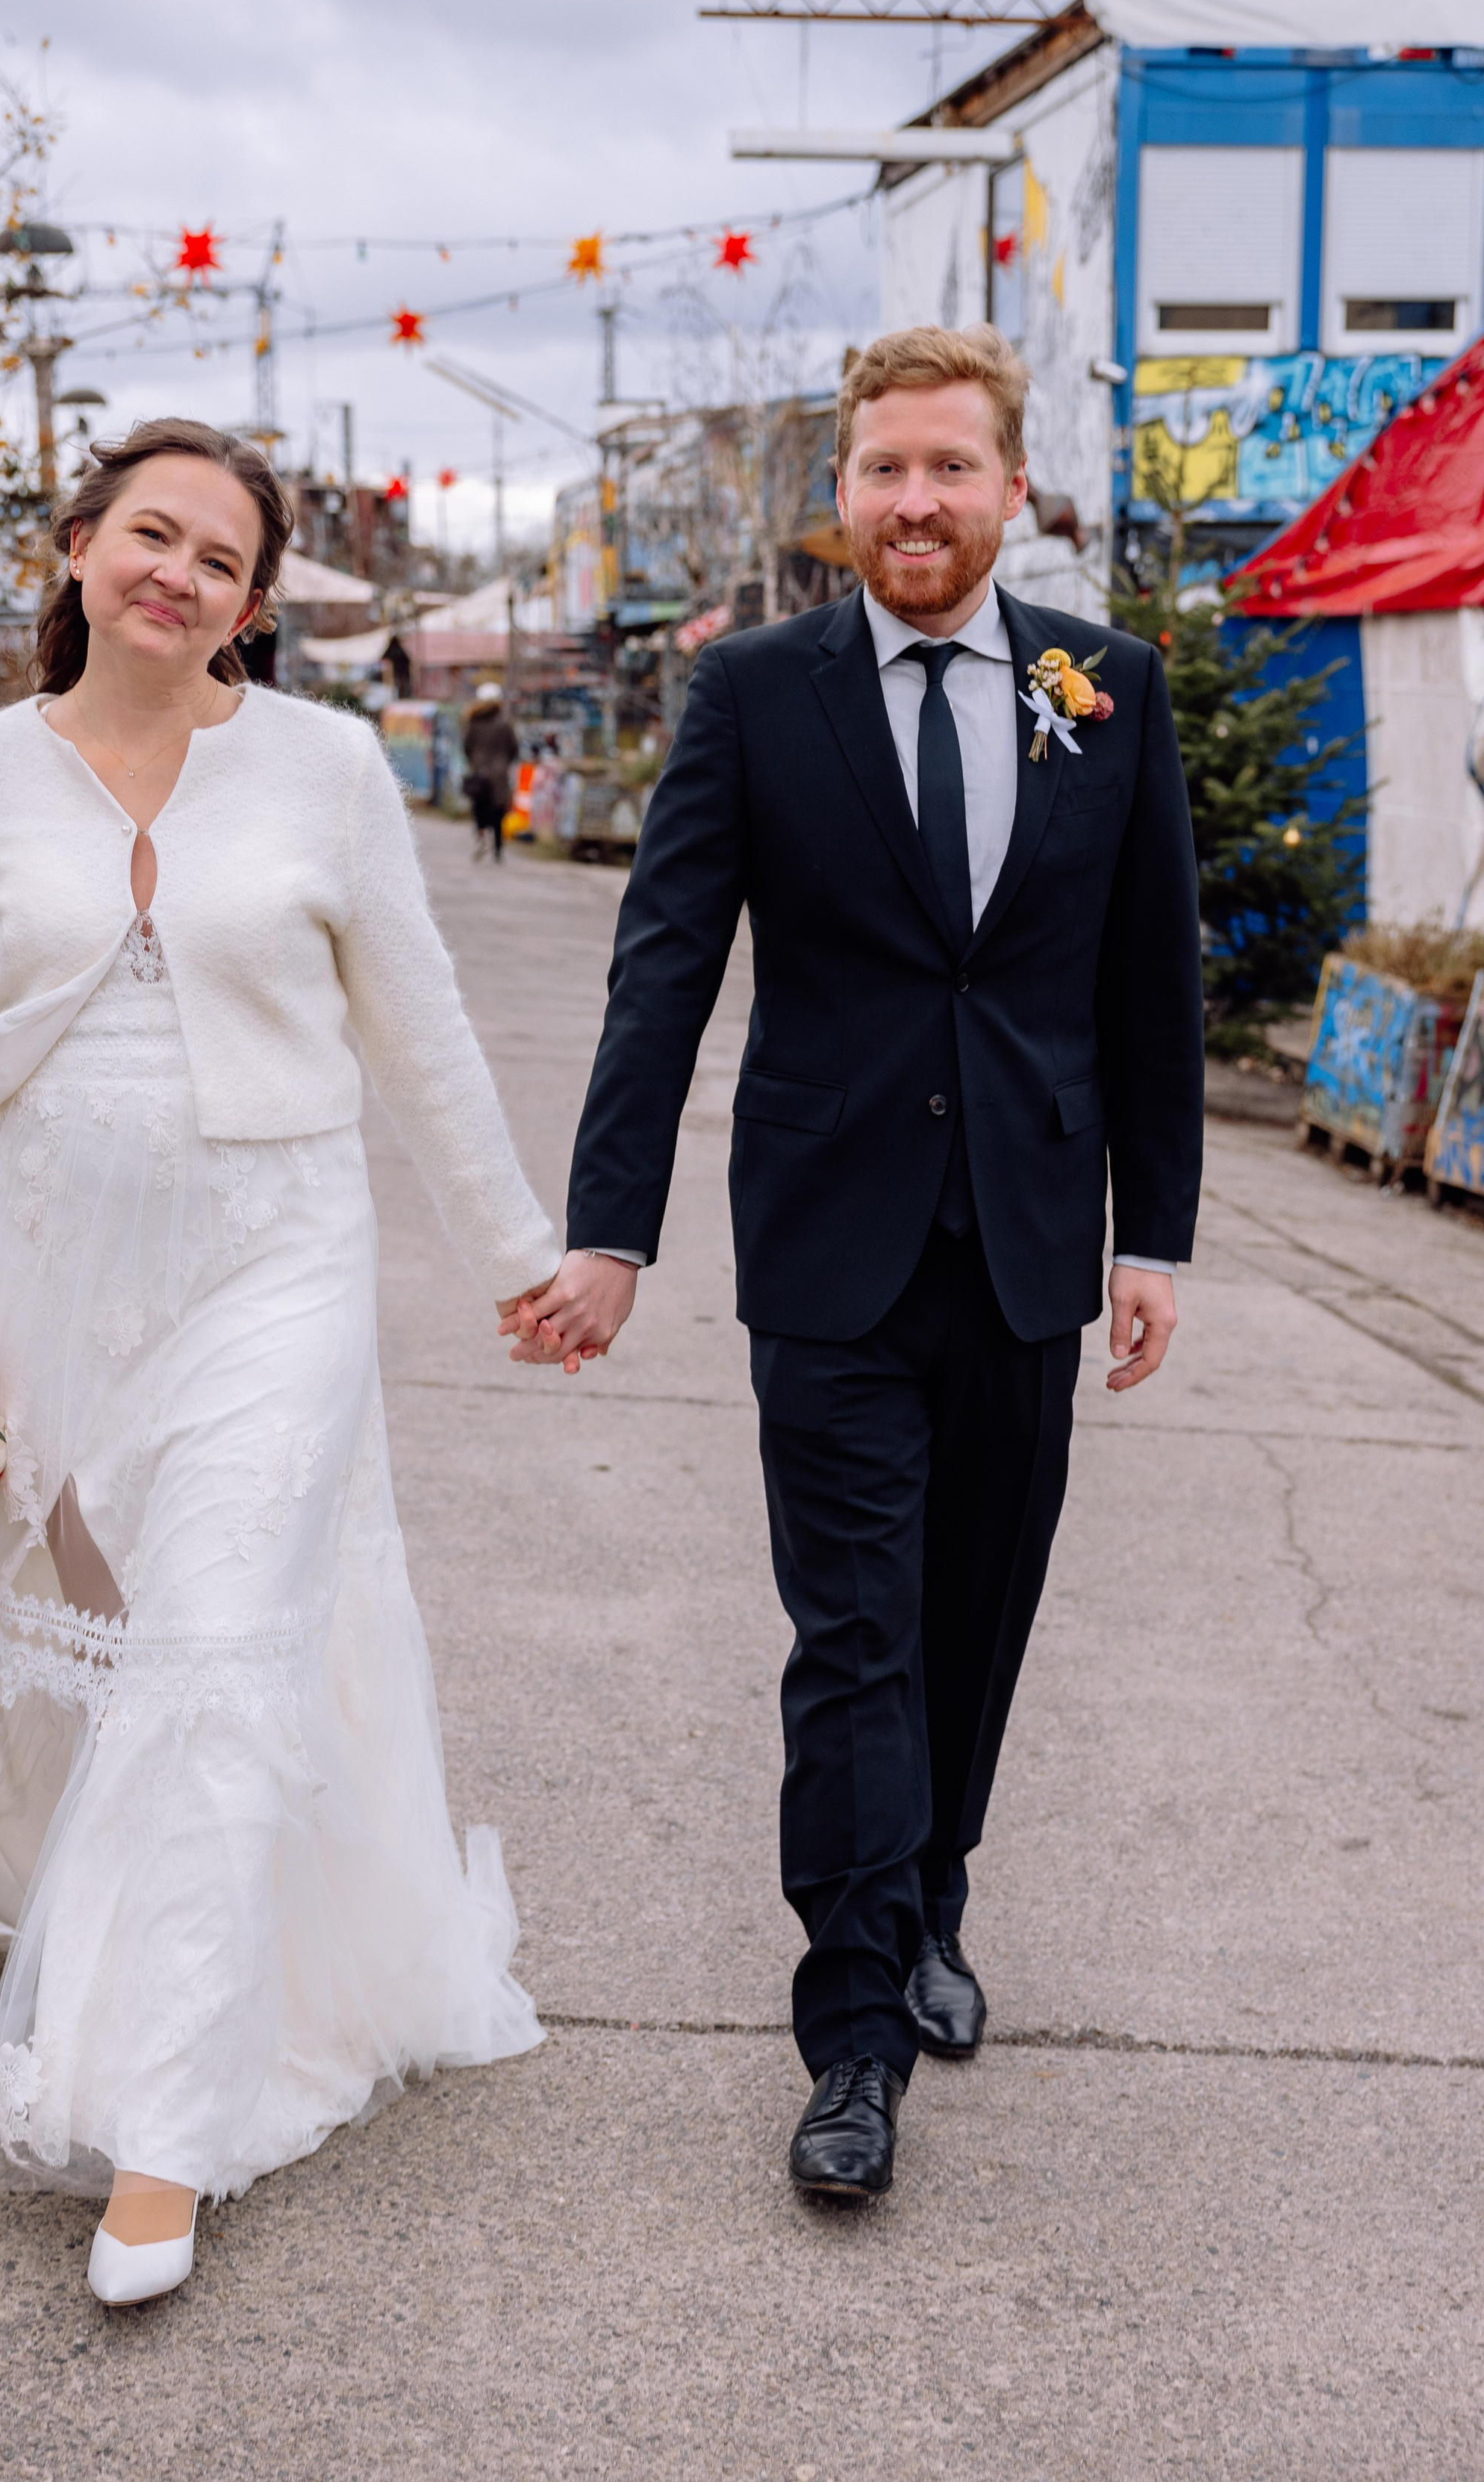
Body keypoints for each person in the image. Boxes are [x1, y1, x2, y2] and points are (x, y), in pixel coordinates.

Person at [0, 419, 562, 2305]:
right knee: (103, 1663)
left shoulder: (330, 772)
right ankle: (172, 1938)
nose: (176, 572)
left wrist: (520, 1256)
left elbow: (416, 1037)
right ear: (80, 547)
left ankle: (160, 2127)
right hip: (54, 1272)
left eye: (218, 556)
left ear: (250, 606)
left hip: (280, 1258)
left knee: (217, 1642)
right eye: (146, 534)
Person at [511, 325, 1203, 2203]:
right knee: (852, 1636)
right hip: (822, 1249)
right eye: (882, 470)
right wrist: (608, 1226)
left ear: (1008, 487)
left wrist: (1154, 1232)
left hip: (1028, 1245)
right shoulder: (753, 691)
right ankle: (849, 2035)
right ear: (840, 498)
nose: (914, 501)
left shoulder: (1103, 685)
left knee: (971, 1620)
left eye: (947, 468)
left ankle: (926, 1899)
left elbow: (1150, 982)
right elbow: (665, 966)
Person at [461, 681, 518, 860]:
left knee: (480, 807)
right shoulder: (505, 723)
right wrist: (505, 762)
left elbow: (467, 746)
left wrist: (474, 761)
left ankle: (481, 836)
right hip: (500, 774)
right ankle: (498, 848)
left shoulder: (474, 721)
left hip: (480, 772)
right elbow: (514, 747)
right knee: (498, 810)